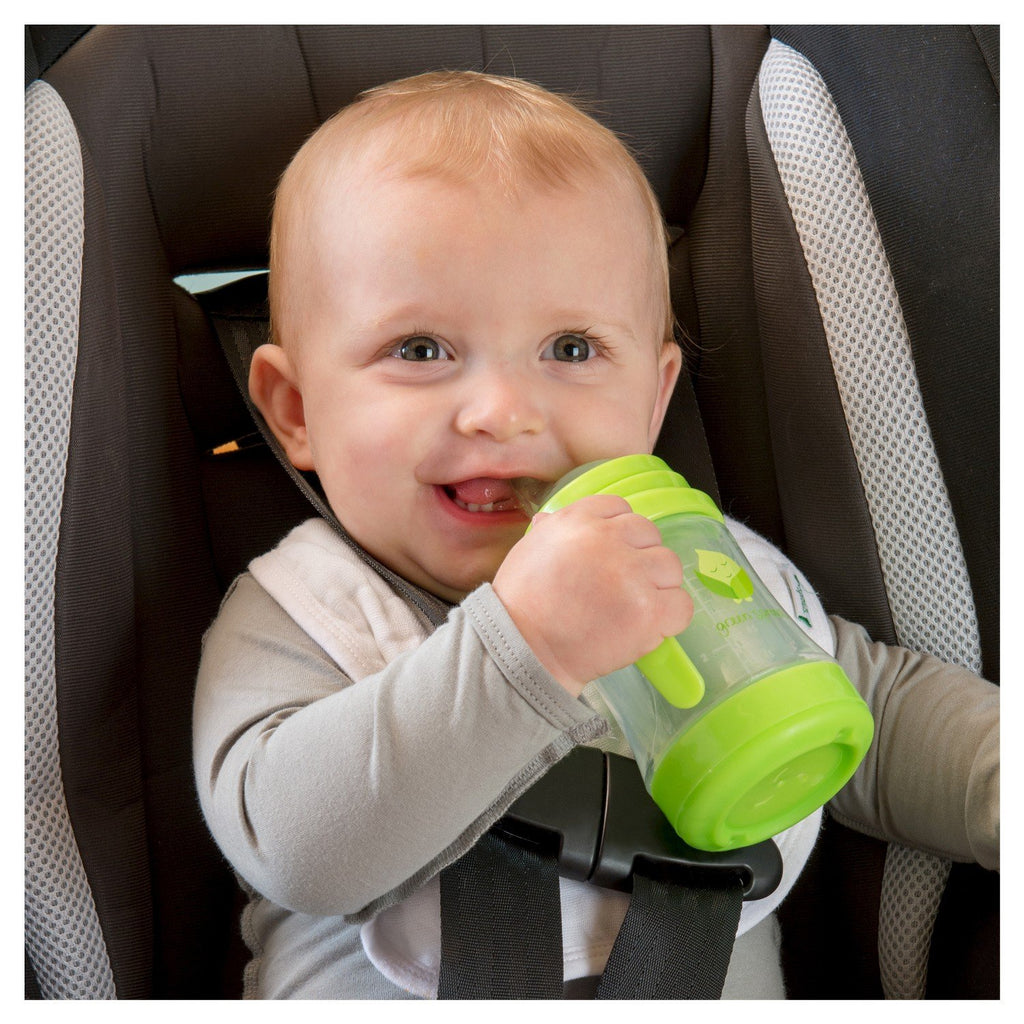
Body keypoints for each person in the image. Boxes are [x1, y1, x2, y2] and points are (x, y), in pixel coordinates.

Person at [193, 71, 998, 999]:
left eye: (571, 350)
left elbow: (882, 721)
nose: (501, 411)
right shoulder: (306, 610)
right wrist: (524, 649)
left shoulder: (701, 572)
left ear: (653, 400)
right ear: (295, 411)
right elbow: (295, 849)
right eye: (420, 351)